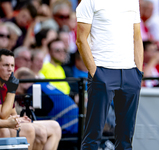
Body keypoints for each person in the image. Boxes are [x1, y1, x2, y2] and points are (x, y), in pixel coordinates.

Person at [76, 0, 144, 149]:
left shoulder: (133, 2)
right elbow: (81, 39)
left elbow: (137, 37)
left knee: (126, 137)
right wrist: (95, 73)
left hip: (130, 72)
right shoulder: (89, 1)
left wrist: (138, 72)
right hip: (102, 70)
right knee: (93, 135)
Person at [0, 49, 61, 150]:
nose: (10, 69)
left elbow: (13, 114)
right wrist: (12, 91)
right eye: (6, 65)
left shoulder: (6, 85)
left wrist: (20, 119)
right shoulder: (9, 87)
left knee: (55, 127)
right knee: (33, 130)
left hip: (7, 124)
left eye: (12, 65)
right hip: (3, 127)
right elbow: (3, 115)